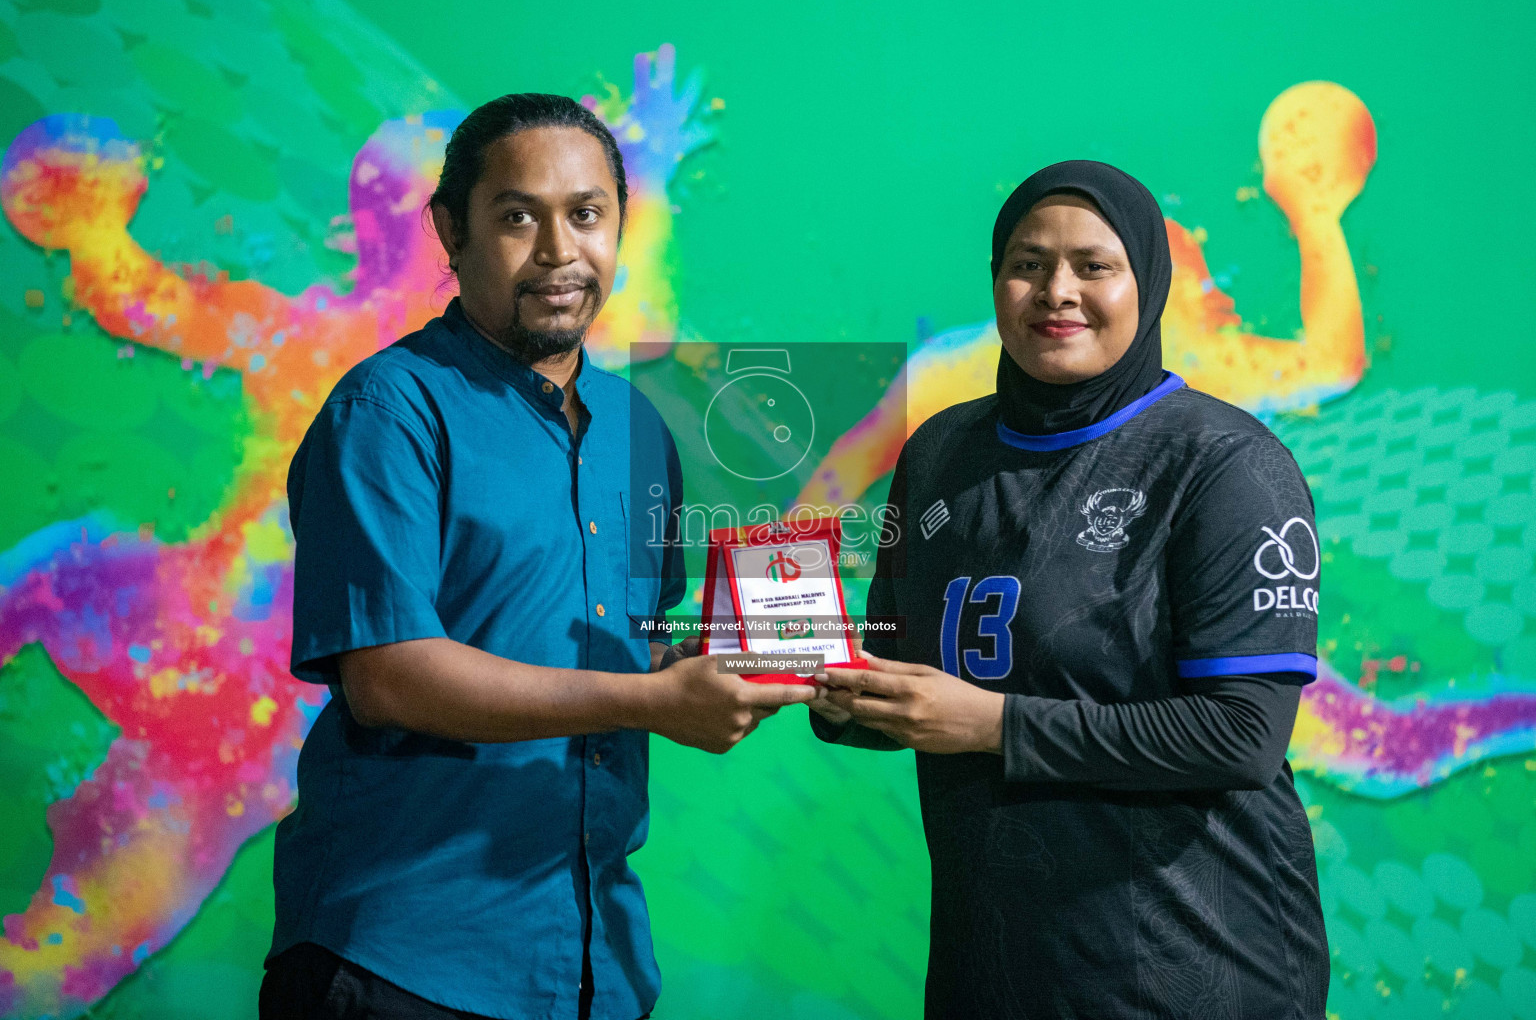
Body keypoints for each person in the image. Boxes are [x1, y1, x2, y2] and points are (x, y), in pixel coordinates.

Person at [260, 93, 815, 1020]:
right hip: (405, 961)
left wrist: (762, 660)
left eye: (587, 215)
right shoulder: (389, 412)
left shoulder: (642, 428)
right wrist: (653, 699)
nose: (559, 251)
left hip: (598, 962)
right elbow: (390, 676)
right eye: (519, 216)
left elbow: (623, 645)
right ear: (451, 229)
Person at [811, 160, 1329, 1018]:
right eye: (1028, 264)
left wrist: (994, 725)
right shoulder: (940, 452)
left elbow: (1244, 738)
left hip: (1188, 974)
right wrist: (792, 670)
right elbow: (904, 684)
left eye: (1094, 266)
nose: (1057, 291)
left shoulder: (1226, 465)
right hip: (997, 977)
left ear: (1147, 284)